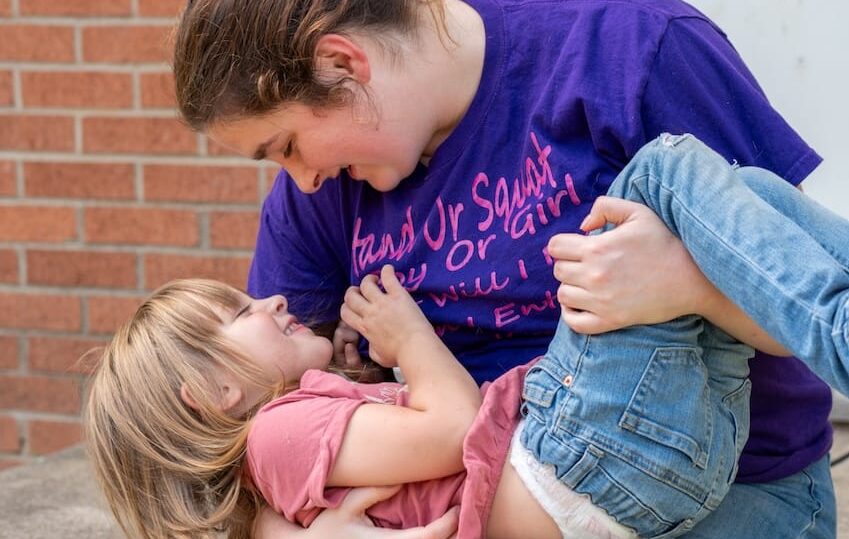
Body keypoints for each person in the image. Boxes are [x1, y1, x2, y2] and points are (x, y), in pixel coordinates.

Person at [172, 0, 838, 537]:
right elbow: (243, 431)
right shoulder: (321, 193)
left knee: (678, 178)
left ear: (343, 63)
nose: (302, 179)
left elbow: (791, 306)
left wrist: (685, 287)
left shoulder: (631, 49)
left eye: (287, 144)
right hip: (500, 508)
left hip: (724, 486)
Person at [85, 134, 849, 539]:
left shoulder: (291, 463)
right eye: (236, 313)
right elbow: (452, 430)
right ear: (214, 393)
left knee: (737, 198)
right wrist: (408, 335)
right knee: (658, 174)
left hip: (644, 476)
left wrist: (364, 372)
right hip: (578, 461)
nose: (271, 297)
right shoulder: (275, 436)